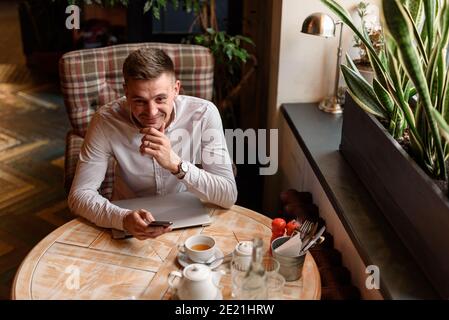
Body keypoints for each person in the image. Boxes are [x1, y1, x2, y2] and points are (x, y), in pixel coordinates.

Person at [68, 48, 237, 240]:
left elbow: (228, 194)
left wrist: (176, 165)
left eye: (160, 99)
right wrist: (122, 219)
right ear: (126, 92)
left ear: (176, 89)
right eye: (139, 100)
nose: (151, 112)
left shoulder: (204, 114)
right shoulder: (106, 121)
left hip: (189, 218)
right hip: (128, 222)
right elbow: (79, 196)